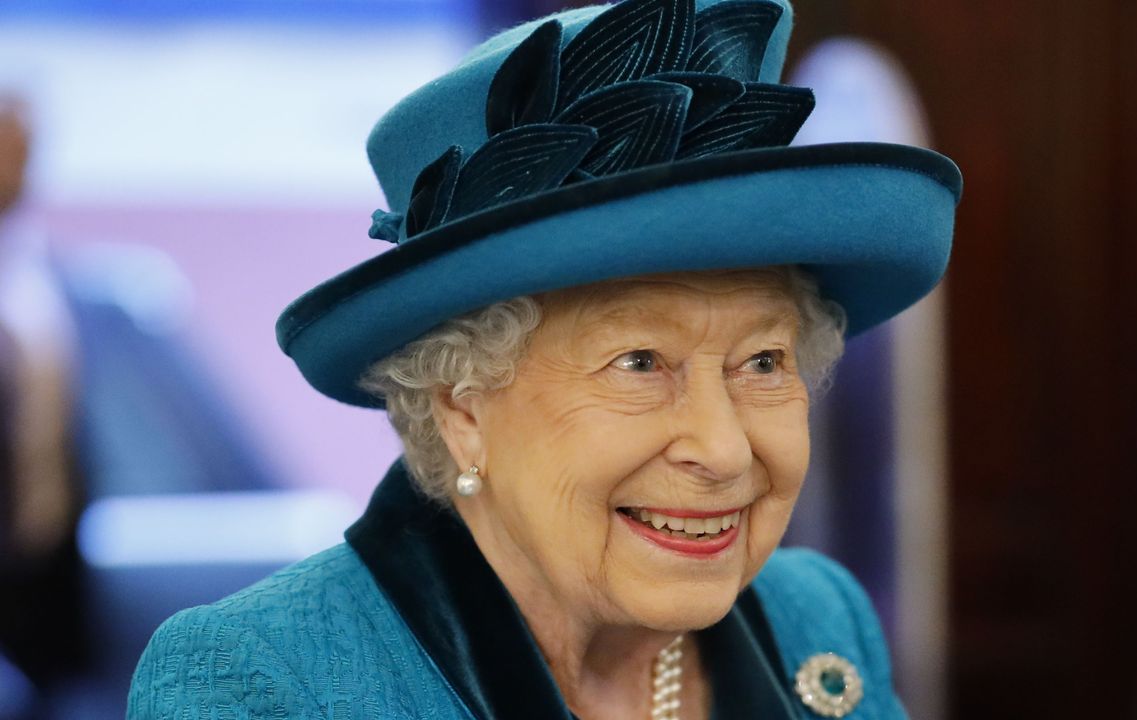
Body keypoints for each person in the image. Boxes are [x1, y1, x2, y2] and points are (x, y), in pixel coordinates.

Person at [126, 0, 961, 717]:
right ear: (461, 408)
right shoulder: (262, 683)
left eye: (764, 362)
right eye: (639, 362)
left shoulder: (820, 619)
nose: (724, 448)